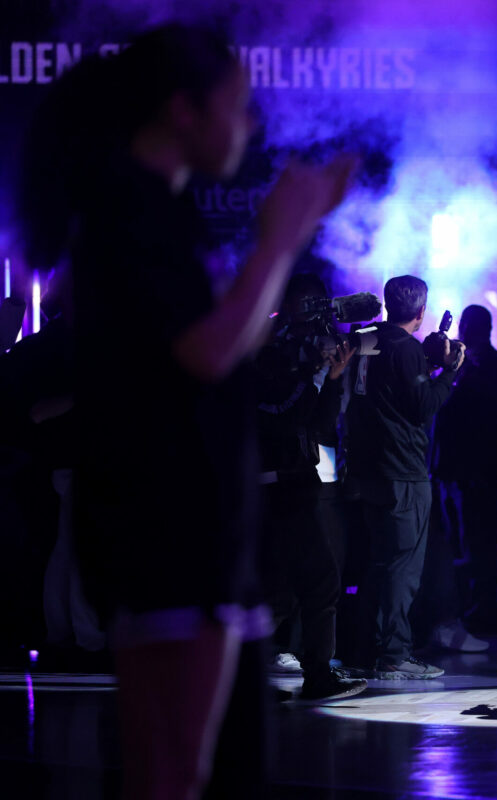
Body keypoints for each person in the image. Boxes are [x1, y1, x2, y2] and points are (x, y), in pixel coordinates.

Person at [17, 23, 353, 800]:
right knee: (178, 775)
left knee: (207, 768)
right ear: (183, 111)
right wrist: (279, 238)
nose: (253, 126)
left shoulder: (154, 211)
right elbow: (203, 351)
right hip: (168, 535)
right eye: (239, 105)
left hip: (194, 536)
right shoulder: (129, 217)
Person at [254, 273, 366, 701]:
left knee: (284, 588)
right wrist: (313, 374)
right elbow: (284, 417)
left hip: (296, 480)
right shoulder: (266, 362)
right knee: (314, 581)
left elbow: (316, 427)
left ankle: (309, 670)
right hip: (273, 484)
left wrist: (331, 378)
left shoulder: (291, 357)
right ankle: (317, 674)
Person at [346, 275, 464, 680]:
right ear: (420, 310)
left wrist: (425, 362)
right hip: (403, 472)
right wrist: (448, 371)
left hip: (367, 468)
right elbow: (421, 405)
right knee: (402, 567)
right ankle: (394, 654)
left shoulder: (364, 338)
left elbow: (385, 389)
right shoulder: (407, 348)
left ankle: (367, 650)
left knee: (379, 562)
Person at [432, 304, 497, 630]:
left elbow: (476, 410)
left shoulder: (489, 366)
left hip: (476, 468)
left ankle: (481, 607)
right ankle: (467, 604)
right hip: (457, 467)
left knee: (476, 540)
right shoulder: (478, 365)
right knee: (462, 539)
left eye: (467, 325)